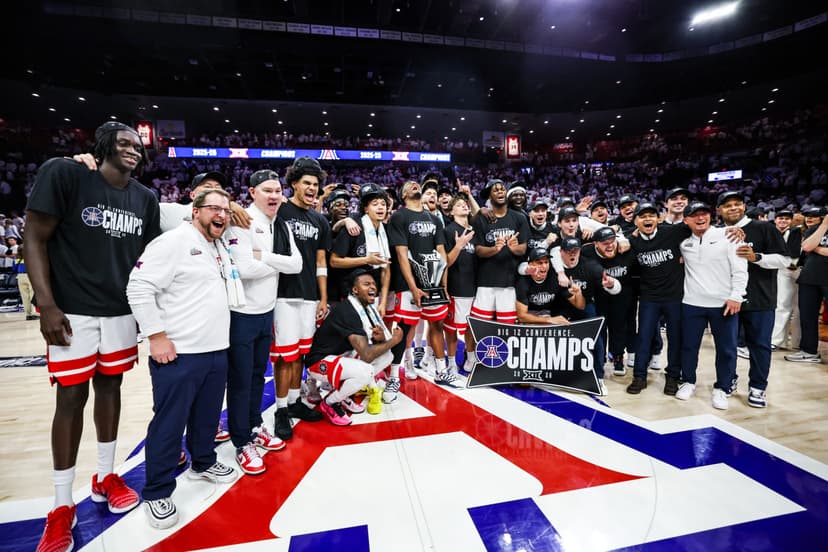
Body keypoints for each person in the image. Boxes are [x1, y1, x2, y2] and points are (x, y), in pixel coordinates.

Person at [26, 122, 161, 552]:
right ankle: (62, 505)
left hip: (120, 311)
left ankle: (105, 475)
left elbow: (148, 258)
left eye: (138, 146)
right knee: (70, 398)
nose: (132, 150)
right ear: (102, 146)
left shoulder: (146, 198)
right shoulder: (65, 173)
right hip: (72, 312)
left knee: (111, 390)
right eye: (123, 143)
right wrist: (46, 304)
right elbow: (34, 235)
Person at [127, 188, 239, 529]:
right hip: (179, 352)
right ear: (195, 211)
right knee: (169, 424)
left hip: (215, 349)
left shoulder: (216, 246)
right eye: (213, 208)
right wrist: (156, 336)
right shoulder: (173, 242)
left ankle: (203, 462)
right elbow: (139, 286)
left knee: (206, 417)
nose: (221, 214)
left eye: (226, 209)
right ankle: (157, 491)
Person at [223, 170, 302, 475]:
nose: (274, 196)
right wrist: (273, 262)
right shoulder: (241, 220)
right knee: (241, 379)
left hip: (265, 312)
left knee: (258, 375)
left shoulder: (279, 224)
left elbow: (297, 265)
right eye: (267, 190)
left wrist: (263, 256)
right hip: (241, 313)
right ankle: (241, 441)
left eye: (277, 190)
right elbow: (243, 268)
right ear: (252, 191)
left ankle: (254, 424)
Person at [271, 157, 332, 440]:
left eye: (315, 184)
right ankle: (280, 409)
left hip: (309, 294)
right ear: (293, 184)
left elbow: (321, 262)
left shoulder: (320, 219)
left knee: (300, 353)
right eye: (306, 183)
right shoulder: (279, 210)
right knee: (284, 355)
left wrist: (323, 298)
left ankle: (295, 402)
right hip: (283, 293)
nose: (311, 188)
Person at [718, 190, 790, 408]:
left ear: (744, 206)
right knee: (727, 346)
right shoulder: (719, 233)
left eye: (737, 204)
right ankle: (727, 380)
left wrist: (756, 257)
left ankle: (758, 387)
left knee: (759, 346)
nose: (733, 208)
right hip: (728, 299)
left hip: (760, 298)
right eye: (727, 205)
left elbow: (784, 260)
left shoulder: (764, 228)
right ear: (720, 210)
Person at [305, 270, 405, 424]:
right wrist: (394, 340)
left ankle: (342, 394)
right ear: (355, 290)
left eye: (373, 284)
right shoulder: (349, 312)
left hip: (341, 356)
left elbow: (371, 347)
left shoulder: (366, 309)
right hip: (318, 363)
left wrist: (382, 339)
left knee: (387, 356)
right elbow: (366, 355)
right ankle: (330, 402)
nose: (372, 287)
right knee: (366, 371)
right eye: (366, 284)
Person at [674, 202, 748, 410]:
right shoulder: (683, 243)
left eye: (704, 213)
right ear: (686, 220)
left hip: (723, 303)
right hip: (692, 303)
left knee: (726, 349)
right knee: (688, 346)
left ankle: (722, 388)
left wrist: (736, 296)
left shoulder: (730, 236)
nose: (700, 218)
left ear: (710, 215)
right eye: (694, 215)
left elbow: (741, 269)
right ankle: (688, 381)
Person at [387, 180, 460, 387]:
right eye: (408, 185)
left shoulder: (434, 219)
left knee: (436, 325)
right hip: (409, 283)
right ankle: (401, 370)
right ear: (403, 195)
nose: (413, 185)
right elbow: (401, 254)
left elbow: (441, 253)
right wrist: (412, 287)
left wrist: (443, 284)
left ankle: (440, 370)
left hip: (434, 283)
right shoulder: (399, 217)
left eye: (415, 183)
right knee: (405, 328)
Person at [625, 202, 689, 396]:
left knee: (675, 338)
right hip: (649, 297)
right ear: (636, 221)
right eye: (642, 216)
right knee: (643, 337)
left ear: (659, 218)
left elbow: (699, 226)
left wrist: (733, 230)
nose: (647, 219)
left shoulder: (672, 232)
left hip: (674, 296)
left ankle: (672, 377)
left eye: (651, 215)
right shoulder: (632, 241)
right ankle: (639, 376)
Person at [558, 237, 621, 394]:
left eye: (576, 251)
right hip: (560, 305)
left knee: (596, 335)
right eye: (568, 251)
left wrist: (611, 284)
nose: (573, 254)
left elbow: (615, 286)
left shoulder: (590, 266)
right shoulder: (555, 266)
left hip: (585, 304)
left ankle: (598, 377)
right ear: (561, 253)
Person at [469, 179, 529, 325]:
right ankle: (474, 349)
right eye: (495, 190)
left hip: (509, 283)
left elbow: (523, 248)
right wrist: (494, 249)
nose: (500, 192)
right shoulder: (481, 219)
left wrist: (515, 248)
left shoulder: (519, 218)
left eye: (502, 189)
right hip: (485, 282)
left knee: (507, 326)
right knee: (481, 325)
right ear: (489, 196)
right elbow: (478, 250)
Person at [582, 226, 637, 376]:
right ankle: (600, 361)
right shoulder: (587, 252)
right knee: (600, 330)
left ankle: (618, 358)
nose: (610, 245)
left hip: (623, 295)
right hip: (599, 297)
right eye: (604, 243)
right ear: (596, 244)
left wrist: (623, 239)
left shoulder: (626, 250)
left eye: (612, 241)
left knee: (619, 328)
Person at [786, 207, 828, 364]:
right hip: (809, 278)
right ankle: (809, 351)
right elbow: (807, 247)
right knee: (807, 317)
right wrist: (824, 226)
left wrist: (817, 249)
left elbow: (811, 247)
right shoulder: (816, 228)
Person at [443, 195, 477, 373]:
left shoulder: (475, 230)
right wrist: (459, 246)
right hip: (457, 287)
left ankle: (471, 358)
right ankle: (451, 362)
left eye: (465, 204)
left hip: (475, 287)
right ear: (451, 211)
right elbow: (445, 262)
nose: (463, 206)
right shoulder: (449, 231)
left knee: (471, 326)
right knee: (451, 329)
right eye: (458, 204)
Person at [516, 248, 584, 325]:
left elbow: (580, 306)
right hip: (529, 315)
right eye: (539, 263)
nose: (544, 266)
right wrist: (550, 320)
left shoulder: (555, 279)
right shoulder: (523, 282)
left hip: (547, 313)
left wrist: (578, 293)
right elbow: (521, 316)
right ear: (530, 265)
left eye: (546, 262)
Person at [771, 209, 802, 350]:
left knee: (790, 306)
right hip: (780, 269)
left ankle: (789, 341)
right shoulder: (771, 231)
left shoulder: (795, 231)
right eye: (780, 218)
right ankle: (779, 341)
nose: (783, 221)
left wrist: (792, 263)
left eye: (786, 219)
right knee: (782, 305)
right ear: (775, 220)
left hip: (793, 269)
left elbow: (794, 252)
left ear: (791, 221)